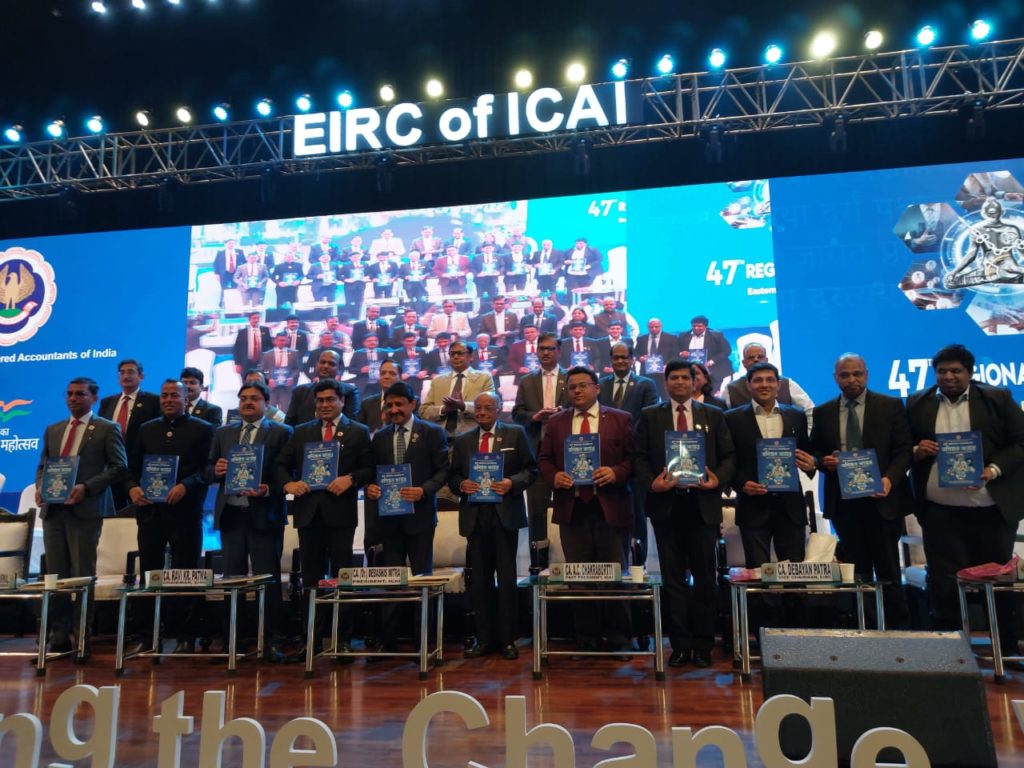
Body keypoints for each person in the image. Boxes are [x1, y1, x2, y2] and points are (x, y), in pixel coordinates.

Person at [906, 344, 1024, 636]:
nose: (948, 377)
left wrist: (993, 469)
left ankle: (1005, 645)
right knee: (944, 586)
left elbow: (1021, 442)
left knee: (997, 582)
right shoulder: (917, 402)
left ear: (970, 373)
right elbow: (899, 445)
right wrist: (916, 450)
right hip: (940, 513)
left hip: (991, 511)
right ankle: (949, 648)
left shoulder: (996, 398)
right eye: (942, 371)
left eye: (956, 371)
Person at [634, 360, 735, 668]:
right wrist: (652, 483)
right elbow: (638, 457)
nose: (679, 382)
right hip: (667, 507)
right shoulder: (650, 415)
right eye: (673, 378)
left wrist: (718, 480)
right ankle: (679, 645)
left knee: (706, 579)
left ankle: (703, 645)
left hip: (703, 506)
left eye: (685, 378)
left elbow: (729, 455)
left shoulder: (713, 415)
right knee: (673, 579)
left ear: (695, 382)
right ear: (665, 383)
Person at [810, 353, 912, 629]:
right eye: (845, 375)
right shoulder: (823, 412)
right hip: (844, 504)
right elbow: (814, 451)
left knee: (889, 572)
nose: (852, 380)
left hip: (883, 501)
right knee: (857, 573)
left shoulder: (890, 406)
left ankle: (900, 634)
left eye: (857, 374)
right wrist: (824, 461)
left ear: (866, 374)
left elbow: (904, 450)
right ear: (836, 378)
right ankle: (865, 632)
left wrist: (889, 479)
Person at [537, 366, 636, 655]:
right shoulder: (556, 422)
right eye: (572, 387)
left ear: (597, 388)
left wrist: (616, 472)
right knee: (578, 577)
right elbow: (543, 459)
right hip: (573, 508)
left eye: (583, 385)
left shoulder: (620, 419)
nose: (577, 391)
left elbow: (634, 459)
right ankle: (586, 639)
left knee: (614, 574)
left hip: (610, 508)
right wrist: (554, 476)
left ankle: (619, 639)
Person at [275, 379, 374, 658]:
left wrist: (351, 478)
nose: (324, 405)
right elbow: (280, 465)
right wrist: (289, 484)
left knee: (343, 577)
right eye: (320, 401)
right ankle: (312, 640)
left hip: (341, 514)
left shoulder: (358, 431)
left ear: (342, 401)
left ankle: (342, 639)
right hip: (309, 514)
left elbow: (369, 468)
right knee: (311, 580)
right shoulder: (301, 432)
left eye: (330, 400)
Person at [35, 377, 127, 653]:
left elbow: (119, 467)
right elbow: (43, 466)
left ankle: (82, 636)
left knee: (83, 575)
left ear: (94, 398)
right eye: (70, 394)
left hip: (85, 510)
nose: (73, 398)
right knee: (56, 576)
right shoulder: (53, 429)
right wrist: (40, 487)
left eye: (80, 394)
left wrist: (86, 487)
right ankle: (59, 636)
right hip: (53, 511)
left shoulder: (107, 428)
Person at [126, 379, 215, 653]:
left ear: (186, 398)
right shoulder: (146, 429)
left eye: (174, 395)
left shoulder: (204, 429)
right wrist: (132, 488)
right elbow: (131, 467)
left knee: (185, 574)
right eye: (164, 395)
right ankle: (148, 636)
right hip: (150, 513)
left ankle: (185, 636)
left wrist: (185, 485)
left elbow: (208, 470)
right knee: (149, 575)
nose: (168, 400)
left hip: (185, 513)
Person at [207, 381, 293, 660]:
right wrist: (216, 470)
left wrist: (268, 489)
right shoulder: (224, 433)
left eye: (254, 398)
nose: (247, 402)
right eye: (243, 398)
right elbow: (208, 468)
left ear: (266, 403)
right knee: (233, 580)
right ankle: (234, 639)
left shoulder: (281, 432)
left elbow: (289, 472)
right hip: (231, 515)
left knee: (267, 580)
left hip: (264, 515)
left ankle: (271, 640)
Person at [450, 392, 536, 660]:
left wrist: (512, 482)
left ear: (499, 409)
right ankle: (484, 639)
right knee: (480, 580)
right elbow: (453, 476)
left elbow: (531, 470)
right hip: (475, 516)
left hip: (505, 514)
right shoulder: (463, 441)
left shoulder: (515, 434)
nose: (482, 412)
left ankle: (508, 639)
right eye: (478, 408)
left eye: (488, 408)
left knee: (507, 579)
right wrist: (461, 485)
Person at [365, 382, 449, 651]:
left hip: (420, 519)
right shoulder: (380, 437)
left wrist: (423, 490)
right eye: (389, 405)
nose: (394, 410)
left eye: (399, 404)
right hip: (389, 521)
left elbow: (443, 471)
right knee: (392, 581)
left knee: (421, 579)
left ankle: (423, 642)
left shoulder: (432, 432)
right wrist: (371, 487)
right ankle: (388, 642)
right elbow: (371, 472)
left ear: (413, 404)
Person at [725, 362, 816, 567]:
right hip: (752, 507)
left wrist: (812, 464)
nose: (764, 385)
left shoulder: (797, 416)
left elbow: (808, 452)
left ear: (779, 385)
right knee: (757, 576)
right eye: (758, 380)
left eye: (770, 380)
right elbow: (728, 459)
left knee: (793, 573)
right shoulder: (731, 418)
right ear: (748, 385)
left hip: (790, 508)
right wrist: (741, 484)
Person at [598, 343, 659, 564]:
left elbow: (649, 417)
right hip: (608, 459)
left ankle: (639, 565)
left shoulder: (646, 384)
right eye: (616, 357)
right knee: (610, 512)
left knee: (637, 513)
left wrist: (626, 435)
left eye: (624, 357)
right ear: (611, 360)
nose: (620, 361)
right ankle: (615, 561)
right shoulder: (601, 385)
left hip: (636, 457)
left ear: (632, 359)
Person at [512, 332, 567, 559]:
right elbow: (517, 413)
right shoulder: (527, 381)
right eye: (542, 349)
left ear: (559, 351)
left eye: (550, 349)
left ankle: (569, 557)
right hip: (537, 452)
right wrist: (535, 416)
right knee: (537, 510)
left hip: (565, 453)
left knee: (568, 506)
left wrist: (563, 414)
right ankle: (538, 562)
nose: (545, 353)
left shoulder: (571, 378)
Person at [98, 359, 160, 508]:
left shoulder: (153, 401)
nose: (126, 376)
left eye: (131, 372)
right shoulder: (107, 402)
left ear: (141, 376)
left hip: (138, 468)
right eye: (122, 373)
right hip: (111, 468)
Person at [720, 343, 815, 424]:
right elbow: (719, 420)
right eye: (751, 357)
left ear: (766, 360)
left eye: (760, 356)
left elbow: (810, 410)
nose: (756, 360)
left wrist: (808, 435)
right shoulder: (731, 389)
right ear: (743, 363)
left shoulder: (787, 383)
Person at [418, 340, 496, 436]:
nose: (455, 356)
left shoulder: (484, 378)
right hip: (441, 437)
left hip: (471, 436)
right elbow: (423, 411)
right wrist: (443, 409)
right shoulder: (438, 381)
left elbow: (490, 408)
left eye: (460, 353)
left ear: (471, 356)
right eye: (452, 354)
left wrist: (463, 406)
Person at [285, 349, 360, 425]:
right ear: (316, 365)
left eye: (331, 364)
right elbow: (290, 422)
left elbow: (352, 423)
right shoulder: (300, 391)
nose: (326, 366)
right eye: (322, 362)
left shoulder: (349, 391)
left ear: (339, 368)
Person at [678, 315, 734, 391]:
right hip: (691, 370)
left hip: (713, 369)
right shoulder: (684, 335)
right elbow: (676, 350)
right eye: (694, 326)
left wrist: (711, 362)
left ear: (706, 326)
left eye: (699, 326)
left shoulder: (716, 336)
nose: (696, 328)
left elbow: (726, 351)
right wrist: (681, 353)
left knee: (713, 392)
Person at [636, 318, 679, 399]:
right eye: (651, 327)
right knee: (647, 398)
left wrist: (667, 365)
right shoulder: (641, 339)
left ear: (661, 326)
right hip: (646, 373)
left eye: (656, 327)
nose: (654, 329)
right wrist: (640, 358)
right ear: (647, 327)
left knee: (666, 398)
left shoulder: (671, 338)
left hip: (664, 374)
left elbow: (675, 355)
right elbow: (636, 353)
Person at [355, 359, 400, 433]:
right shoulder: (366, 404)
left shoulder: (411, 402)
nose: (386, 376)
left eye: (392, 373)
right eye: (383, 373)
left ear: (401, 377)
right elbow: (358, 432)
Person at [260, 332, 301, 409]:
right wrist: (268, 379)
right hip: (272, 387)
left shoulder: (294, 353)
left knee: (286, 409)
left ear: (287, 341)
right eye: (280, 340)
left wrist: (292, 377)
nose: (282, 342)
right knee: (271, 410)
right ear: (275, 341)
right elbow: (262, 369)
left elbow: (297, 368)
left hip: (287, 387)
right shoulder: (267, 354)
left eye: (284, 340)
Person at [392, 332, 429, 397]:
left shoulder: (422, 351)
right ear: (403, 341)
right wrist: (399, 374)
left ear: (415, 341)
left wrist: (425, 371)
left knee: (416, 400)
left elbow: (427, 365)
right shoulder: (397, 353)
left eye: (412, 341)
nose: (410, 343)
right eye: (407, 341)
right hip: (403, 382)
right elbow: (393, 366)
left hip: (417, 381)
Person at [339, 250, 370, 319]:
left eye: (358, 257)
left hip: (361, 285)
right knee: (348, 302)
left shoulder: (365, 264)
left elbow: (370, 273)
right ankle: (348, 318)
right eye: (354, 257)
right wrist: (345, 280)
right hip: (349, 286)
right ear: (350, 258)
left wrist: (367, 277)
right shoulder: (346, 265)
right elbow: (339, 275)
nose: (356, 258)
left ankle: (357, 317)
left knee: (359, 302)